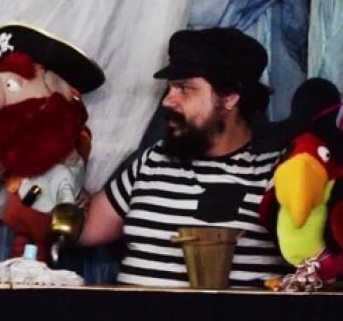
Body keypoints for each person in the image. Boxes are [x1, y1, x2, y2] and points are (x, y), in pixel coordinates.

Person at [78, 27, 288, 287]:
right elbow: (82, 229)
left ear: (229, 97)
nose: (168, 101)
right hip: (133, 314)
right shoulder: (154, 160)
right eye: (169, 88)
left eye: (184, 88)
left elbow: (315, 261)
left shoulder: (275, 171)